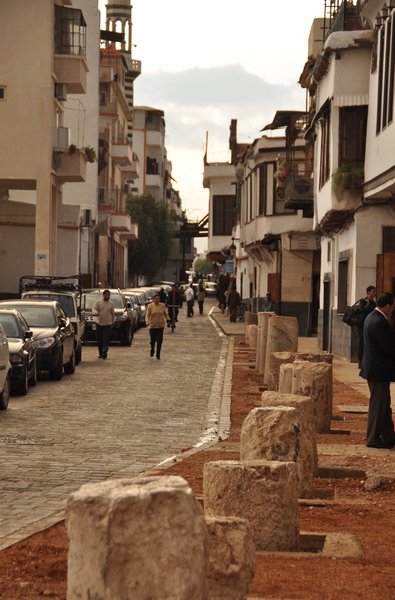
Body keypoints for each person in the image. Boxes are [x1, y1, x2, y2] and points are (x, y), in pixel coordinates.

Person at [360, 292, 395, 448]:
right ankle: (373, 438)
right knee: (378, 405)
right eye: (392, 306)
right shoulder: (378, 321)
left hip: (375, 368)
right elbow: (388, 346)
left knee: (384, 404)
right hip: (378, 370)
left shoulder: (371, 317)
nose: (393, 309)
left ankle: (389, 437)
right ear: (387, 305)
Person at [356, 285, 377, 368]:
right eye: (373, 291)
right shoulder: (363, 301)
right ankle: (360, 362)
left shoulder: (374, 303)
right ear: (368, 292)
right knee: (362, 343)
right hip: (362, 325)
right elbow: (361, 311)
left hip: (370, 325)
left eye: (375, 292)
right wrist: (367, 304)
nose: (374, 293)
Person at [92, 289, 114, 359]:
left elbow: (112, 314)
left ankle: (105, 351)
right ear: (103, 295)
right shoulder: (98, 302)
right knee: (99, 339)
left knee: (106, 339)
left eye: (109, 295)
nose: (108, 296)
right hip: (99, 323)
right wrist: (96, 313)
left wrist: (113, 321)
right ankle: (101, 353)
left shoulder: (111, 304)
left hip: (108, 324)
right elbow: (94, 309)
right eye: (107, 295)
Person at [146, 293, 169, 360]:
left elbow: (165, 314)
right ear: (153, 299)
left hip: (160, 325)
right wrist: (147, 321)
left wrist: (168, 319)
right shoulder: (150, 306)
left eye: (158, 299)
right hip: (153, 325)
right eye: (156, 299)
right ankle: (152, 349)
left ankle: (158, 353)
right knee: (152, 340)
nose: (157, 300)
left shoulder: (162, 305)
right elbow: (147, 315)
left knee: (159, 340)